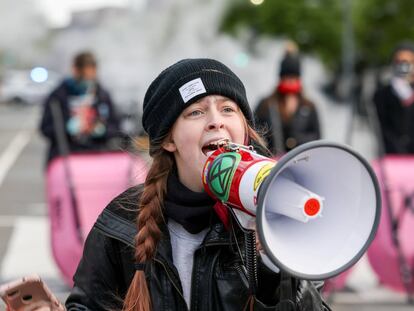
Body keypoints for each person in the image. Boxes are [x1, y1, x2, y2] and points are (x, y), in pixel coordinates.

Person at [65, 58, 330, 311]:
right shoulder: (121, 222)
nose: (216, 120)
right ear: (169, 140)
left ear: (244, 130)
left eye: (228, 109)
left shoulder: (272, 217)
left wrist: (273, 265)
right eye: (196, 112)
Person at [39, 51, 120, 163]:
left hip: (96, 157)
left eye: (91, 77)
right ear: (75, 70)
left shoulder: (103, 96)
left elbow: (115, 126)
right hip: (64, 158)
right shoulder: (57, 97)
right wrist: (67, 129)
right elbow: (45, 128)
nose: (88, 82)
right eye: (84, 77)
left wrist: (102, 130)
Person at [254, 47, 321, 155]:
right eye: (286, 77)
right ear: (281, 78)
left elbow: (317, 138)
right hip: (270, 164)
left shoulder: (309, 106)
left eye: (293, 77)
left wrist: (295, 140)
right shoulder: (266, 104)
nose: (290, 81)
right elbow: (254, 133)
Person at [373, 41, 414, 154]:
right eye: (399, 62)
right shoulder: (381, 95)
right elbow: (382, 129)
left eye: (408, 62)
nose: (403, 67)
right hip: (391, 159)